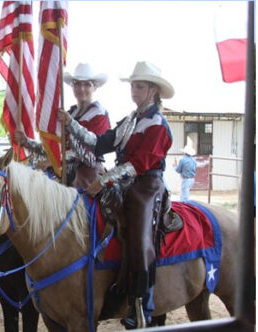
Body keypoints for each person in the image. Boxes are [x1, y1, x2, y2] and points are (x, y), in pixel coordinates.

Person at [72, 61, 174, 329]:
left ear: (152, 90)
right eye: (132, 86)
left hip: (147, 186)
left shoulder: (157, 123)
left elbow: (140, 164)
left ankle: (142, 303)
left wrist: (103, 181)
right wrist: (70, 124)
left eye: (139, 86)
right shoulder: (131, 120)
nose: (134, 91)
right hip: (123, 182)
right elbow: (99, 142)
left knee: (140, 233)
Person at [20, 62, 112, 190]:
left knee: (80, 198)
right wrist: (27, 142)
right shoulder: (70, 113)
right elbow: (58, 146)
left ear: (95, 87)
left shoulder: (99, 114)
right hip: (63, 168)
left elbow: (90, 150)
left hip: (87, 169)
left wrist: (53, 161)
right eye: (77, 84)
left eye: (87, 84)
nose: (81, 88)